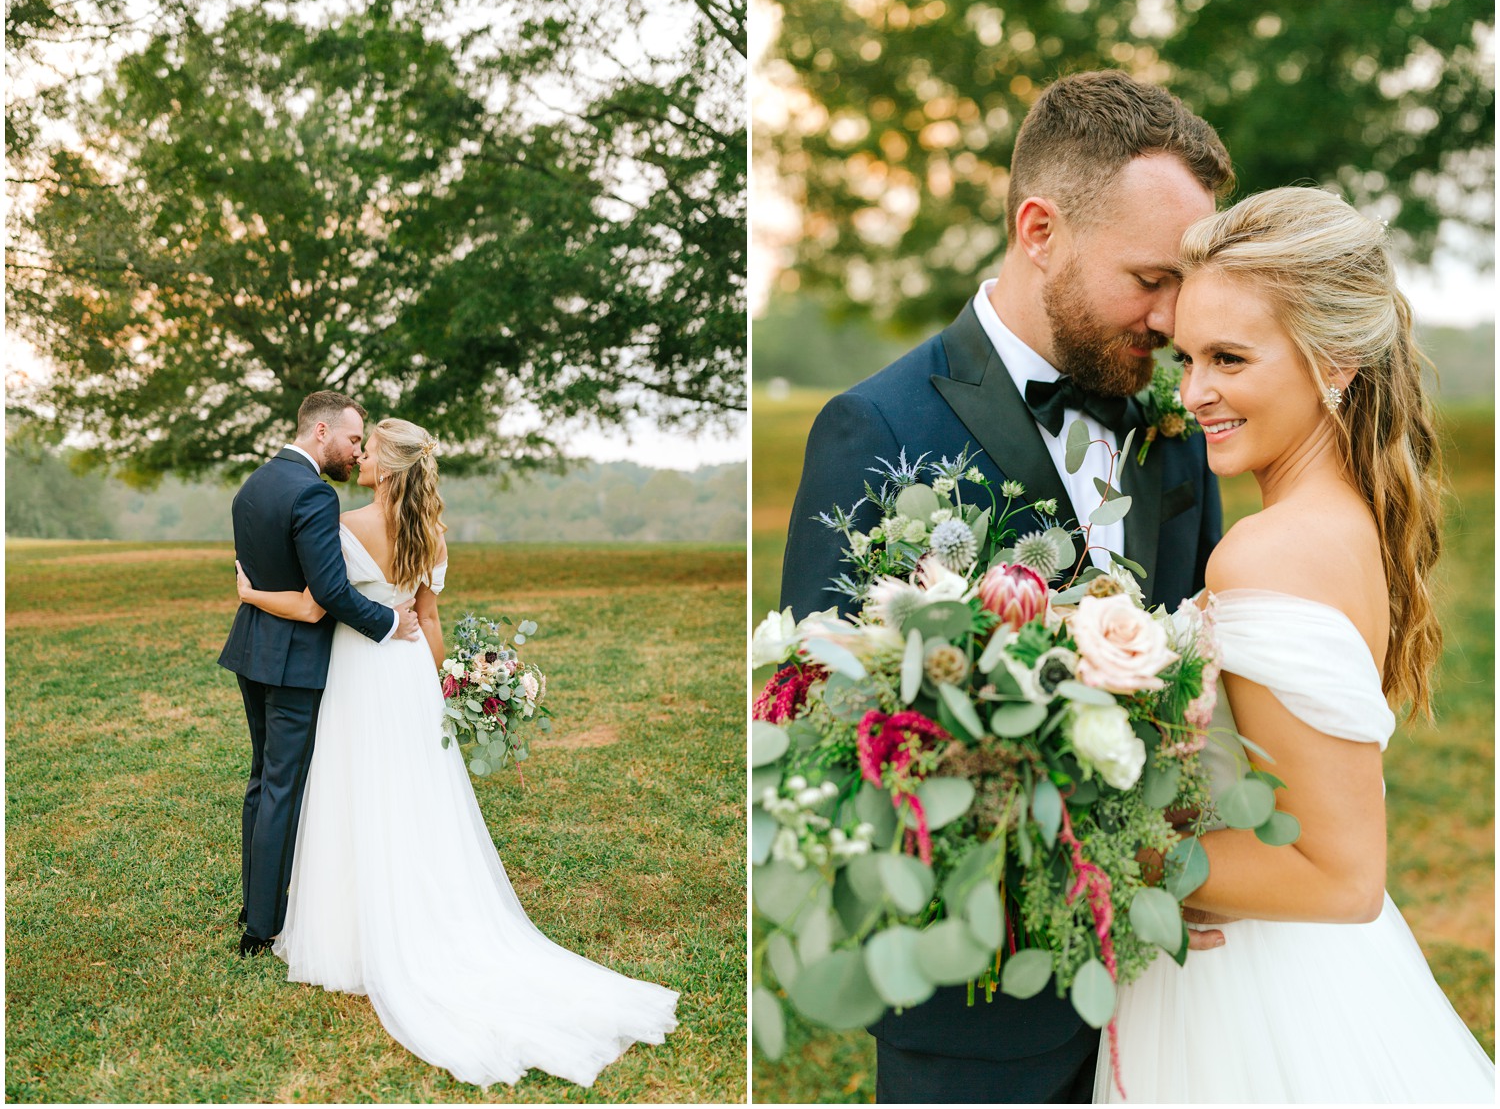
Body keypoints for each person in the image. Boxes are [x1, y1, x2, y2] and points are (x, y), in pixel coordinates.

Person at [779, 70, 1232, 1103]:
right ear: (1040, 228)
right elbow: (816, 710)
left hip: (1175, 984)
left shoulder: (1176, 429)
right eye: (1151, 278)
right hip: (981, 999)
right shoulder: (876, 427)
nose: (1173, 318)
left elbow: (1202, 642)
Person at [1095, 186, 1494, 1102]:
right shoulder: (1346, 521)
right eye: (1188, 357)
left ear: (1335, 363)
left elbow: (1341, 875)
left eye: (1230, 358)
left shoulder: (1272, 552)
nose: (1195, 392)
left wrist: (1107, 857)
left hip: (1255, 997)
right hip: (1297, 968)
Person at [232, 417, 679, 1088]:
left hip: (357, 670)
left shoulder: (344, 523)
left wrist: (251, 591)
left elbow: (325, 598)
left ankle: (348, 927)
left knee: (351, 788)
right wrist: (443, 685)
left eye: (368, 449)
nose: (359, 456)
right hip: (410, 672)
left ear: (385, 465)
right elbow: (430, 618)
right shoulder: (430, 534)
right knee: (417, 793)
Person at [219, 391, 423, 958]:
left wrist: (259, 596)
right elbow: (328, 594)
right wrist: (389, 621)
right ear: (321, 433)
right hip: (295, 662)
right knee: (282, 785)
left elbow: (272, 571)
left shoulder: (254, 484)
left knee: (262, 781)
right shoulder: (312, 491)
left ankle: (253, 901)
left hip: (252, 650)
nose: (356, 453)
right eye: (353, 439)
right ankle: (260, 926)